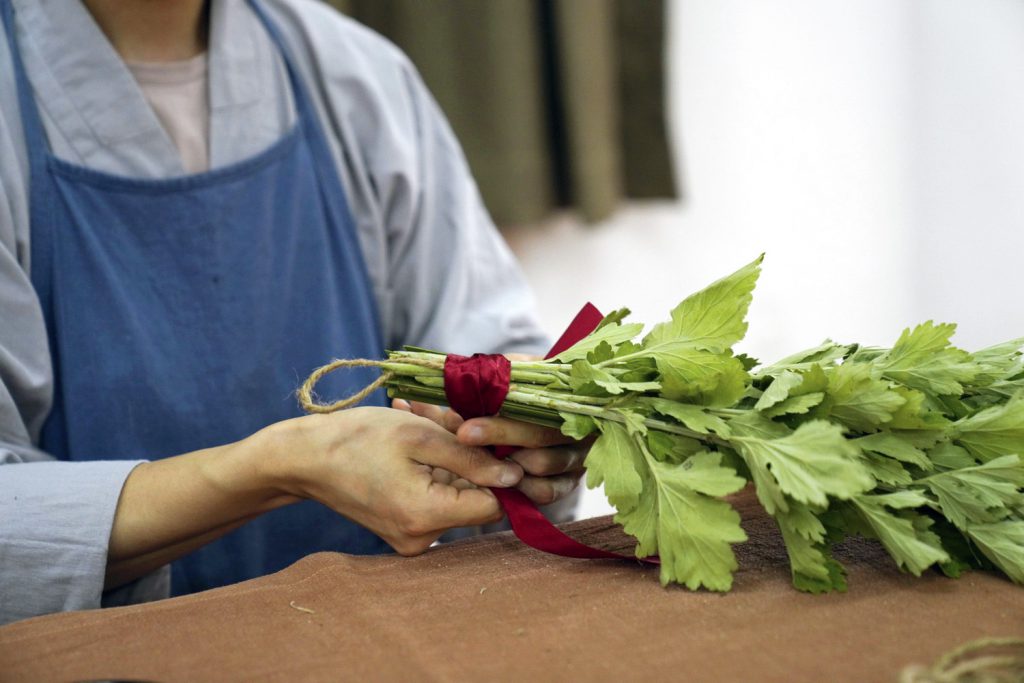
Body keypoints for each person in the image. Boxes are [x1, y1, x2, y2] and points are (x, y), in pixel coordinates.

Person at [0, 0, 586, 625]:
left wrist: (515, 432)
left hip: (375, 641)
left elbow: (484, 341)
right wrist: (274, 470)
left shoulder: (357, 75)